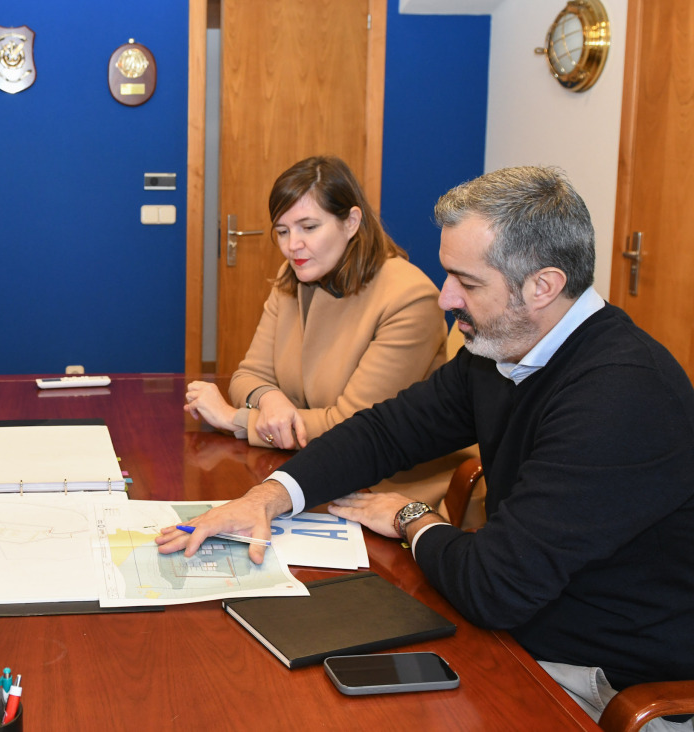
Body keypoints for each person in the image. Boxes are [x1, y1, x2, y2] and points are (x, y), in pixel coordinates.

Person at [160, 166, 694, 727]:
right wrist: (267, 497)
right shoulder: (504, 345)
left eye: (467, 281)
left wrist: (412, 517)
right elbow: (386, 431)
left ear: (543, 286)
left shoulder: (623, 393)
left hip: (597, 675)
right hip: (518, 628)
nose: (446, 297)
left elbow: (496, 585)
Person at [184, 155, 460, 505]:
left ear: (351, 222)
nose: (292, 245)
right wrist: (270, 399)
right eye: (282, 231)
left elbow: (355, 430)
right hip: (303, 465)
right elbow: (248, 376)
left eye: (308, 227)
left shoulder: (409, 298)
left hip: (385, 491)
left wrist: (233, 418)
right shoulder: (294, 274)